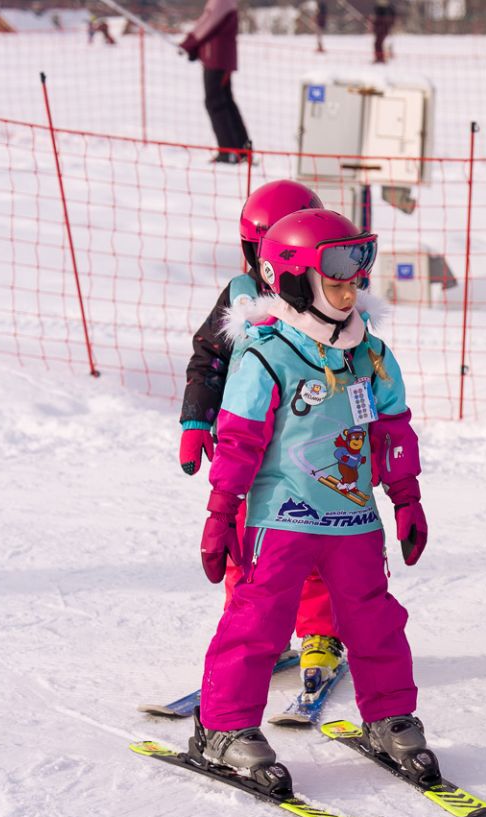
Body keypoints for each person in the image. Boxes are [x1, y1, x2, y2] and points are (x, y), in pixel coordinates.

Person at [192, 207, 435, 790]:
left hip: (353, 521)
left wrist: (406, 498)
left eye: (356, 279)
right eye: (336, 282)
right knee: (258, 621)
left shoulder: (369, 354)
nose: (351, 293)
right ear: (296, 281)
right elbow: (240, 439)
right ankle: (223, 726)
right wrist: (222, 512)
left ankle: (389, 715)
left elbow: (392, 430)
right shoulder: (266, 354)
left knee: (375, 620)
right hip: (282, 518)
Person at [180, 179, 350, 695]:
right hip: (247, 439)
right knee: (244, 541)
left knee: (312, 533)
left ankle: (320, 635)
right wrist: (195, 420)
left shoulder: (331, 301)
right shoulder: (241, 296)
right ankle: (254, 630)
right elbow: (210, 357)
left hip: (309, 442)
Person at [180, 0, 250, 164]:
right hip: (217, 56)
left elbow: (208, 23)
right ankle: (242, 149)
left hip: (217, 58)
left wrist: (190, 43)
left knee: (215, 102)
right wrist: (196, 48)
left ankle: (229, 151)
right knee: (225, 101)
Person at [372, 0, 396, 64]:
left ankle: (380, 58)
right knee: (378, 43)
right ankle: (379, 57)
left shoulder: (387, 9)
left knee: (378, 43)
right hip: (381, 29)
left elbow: (385, 21)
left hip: (382, 29)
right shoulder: (382, 8)